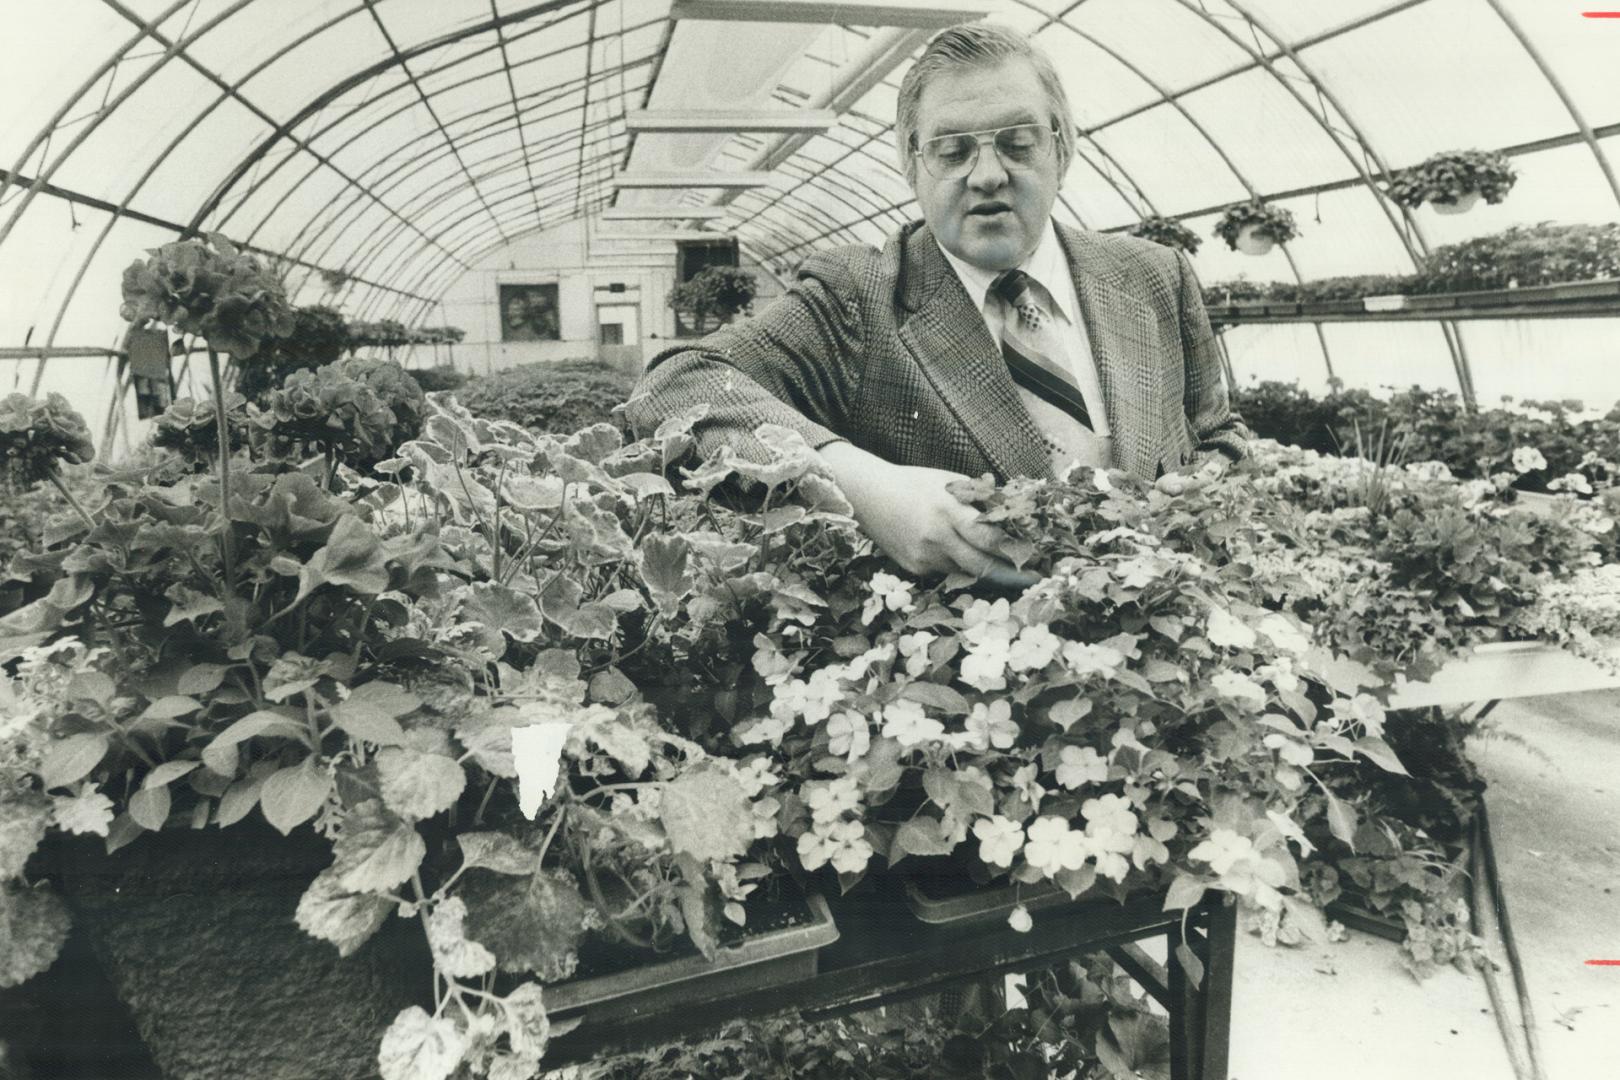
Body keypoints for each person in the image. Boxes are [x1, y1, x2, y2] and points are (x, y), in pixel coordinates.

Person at [627, 22, 1246, 583]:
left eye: (1018, 141)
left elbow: (1219, 436)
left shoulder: (1153, 275)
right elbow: (675, 387)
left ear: (1063, 147)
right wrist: (867, 488)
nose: (986, 175)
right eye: (952, 151)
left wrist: (1178, 517)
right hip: (961, 687)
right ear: (910, 163)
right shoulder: (857, 298)